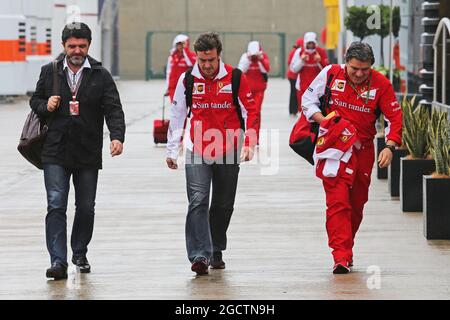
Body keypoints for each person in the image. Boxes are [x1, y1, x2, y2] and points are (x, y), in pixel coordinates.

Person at [30, 22, 126, 280]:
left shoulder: (100, 74)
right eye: (72, 45)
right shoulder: (49, 71)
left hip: (87, 151)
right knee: (56, 204)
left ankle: (79, 253)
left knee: (85, 207)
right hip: (55, 150)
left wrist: (117, 136)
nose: (77, 50)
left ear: (88, 46)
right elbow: (35, 101)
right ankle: (58, 261)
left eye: (82, 46)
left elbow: (113, 108)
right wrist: (45, 105)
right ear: (63, 46)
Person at [302, 42, 402, 274]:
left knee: (356, 205)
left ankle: (346, 246)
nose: (359, 74)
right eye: (354, 68)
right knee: (338, 203)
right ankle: (340, 256)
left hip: (363, 151)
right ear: (346, 62)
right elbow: (308, 101)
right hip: (332, 149)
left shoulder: (381, 84)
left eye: (364, 70)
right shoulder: (329, 73)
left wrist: (390, 145)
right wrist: (322, 119)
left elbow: (394, 118)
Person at [166, 33, 258, 276]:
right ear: (197, 57)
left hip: (229, 148)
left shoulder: (236, 77)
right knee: (198, 200)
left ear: (219, 56)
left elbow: (251, 112)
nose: (207, 65)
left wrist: (250, 143)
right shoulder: (187, 80)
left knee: (223, 204)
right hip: (197, 148)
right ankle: (199, 255)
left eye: (212, 60)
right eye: (202, 60)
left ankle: (216, 248)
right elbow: (177, 115)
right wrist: (172, 150)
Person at [238, 41, 270, 144]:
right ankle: (246, 134)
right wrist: (249, 59)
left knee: (256, 112)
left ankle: (255, 137)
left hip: (259, 90)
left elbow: (266, 70)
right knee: (245, 112)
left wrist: (260, 60)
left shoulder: (263, 56)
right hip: (247, 90)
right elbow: (240, 71)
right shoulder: (245, 57)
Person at [290, 32, 329, 112]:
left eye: (312, 43)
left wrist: (319, 61)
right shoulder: (299, 52)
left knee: (316, 110)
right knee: (302, 110)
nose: (311, 46)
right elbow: (293, 69)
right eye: (309, 43)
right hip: (302, 87)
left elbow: (327, 70)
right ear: (305, 43)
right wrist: (302, 61)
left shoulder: (321, 51)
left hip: (317, 87)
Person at [165, 34, 196, 102]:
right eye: (179, 44)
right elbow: (168, 72)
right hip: (173, 87)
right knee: (174, 107)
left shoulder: (192, 56)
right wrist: (167, 87)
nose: (180, 46)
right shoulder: (172, 57)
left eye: (182, 44)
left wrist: (185, 50)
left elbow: (191, 63)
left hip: (186, 86)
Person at [287, 37, 303, 115]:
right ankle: (294, 110)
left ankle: (293, 110)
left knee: (293, 93)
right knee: (294, 93)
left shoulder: (294, 51)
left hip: (292, 75)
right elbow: (290, 62)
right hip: (294, 76)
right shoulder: (297, 52)